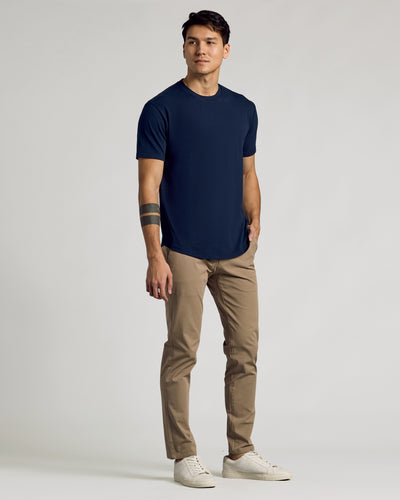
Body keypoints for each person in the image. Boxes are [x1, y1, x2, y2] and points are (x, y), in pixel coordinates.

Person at [136, 10, 292, 489]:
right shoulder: (160, 108)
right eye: (192, 41)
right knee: (182, 350)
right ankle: (184, 454)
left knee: (245, 349)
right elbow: (148, 184)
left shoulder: (243, 109)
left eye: (209, 41)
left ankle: (239, 451)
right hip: (183, 250)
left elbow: (248, 171)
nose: (200, 49)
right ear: (183, 48)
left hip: (236, 251)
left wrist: (255, 218)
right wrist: (155, 254)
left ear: (225, 49)